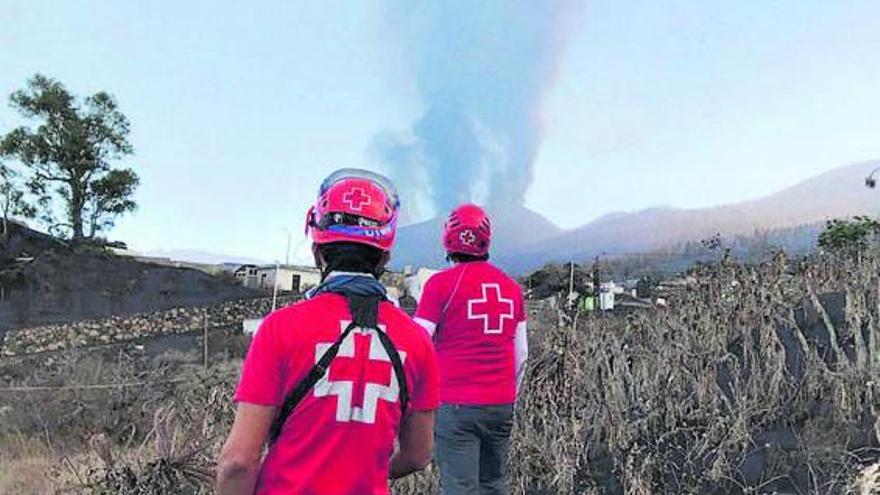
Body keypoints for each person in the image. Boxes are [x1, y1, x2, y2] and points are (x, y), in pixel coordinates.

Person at [216, 169, 439, 495]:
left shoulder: (280, 328)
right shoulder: (418, 341)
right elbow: (418, 455)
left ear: (318, 251)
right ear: (385, 256)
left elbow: (237, 462)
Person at [413, 204, 528, 495]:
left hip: (455, 403)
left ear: (448, 239)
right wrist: (507, 394)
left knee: (460, 488)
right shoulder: (512, 289)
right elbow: (522, 353)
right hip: (501, 404)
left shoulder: (439, 285)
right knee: (494, 484)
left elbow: (417, 342)